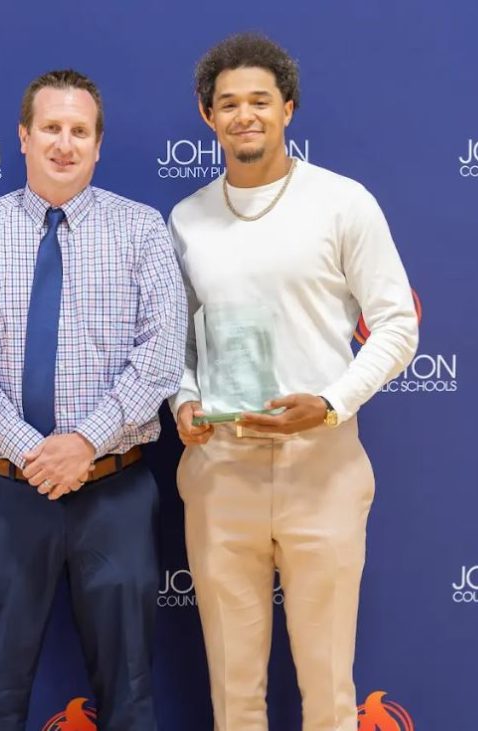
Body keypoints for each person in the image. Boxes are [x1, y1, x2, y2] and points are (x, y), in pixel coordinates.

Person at [169, 34, 419, 731]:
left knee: (330, 693)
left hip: (323, 469)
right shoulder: (186, 220)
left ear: (288, 108)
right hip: (221, 473)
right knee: (234, 696)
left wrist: (332, 403)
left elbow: (397, 325)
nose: (244, 115)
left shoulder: (343, 203)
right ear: (207, 115)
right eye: (228, 104)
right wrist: (182, 398)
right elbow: (177, 343)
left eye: (260, 101)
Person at [0, 68, 186, 731]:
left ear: (99, 144)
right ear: (23, 136)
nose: (64, 144)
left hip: (114, 494)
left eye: (79, 130)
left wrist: (85, 443)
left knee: (129, 694)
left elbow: (160, 358)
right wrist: (33, 452)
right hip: (8, 495)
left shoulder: (142, 230)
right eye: (50, 128)